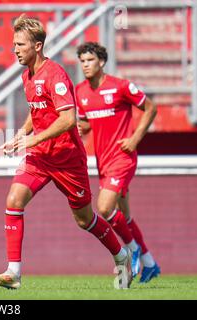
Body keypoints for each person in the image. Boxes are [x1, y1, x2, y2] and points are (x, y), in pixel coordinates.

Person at [0, 15, 132, 290]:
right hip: (41, 156)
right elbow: (37, 109)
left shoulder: (55, 74)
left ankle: (122, 256)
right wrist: (21, 134)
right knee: (14, 199)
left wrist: (33, 139)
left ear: (37, 46)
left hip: (67, 159)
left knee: (84, 219)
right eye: (14, 44)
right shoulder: (26, 75)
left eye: (20, 44)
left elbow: (67, 119)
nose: (15, 49)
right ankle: (13, 273)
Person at [75, 42, 160, 283]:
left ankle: (132, 251)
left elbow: (151, 107)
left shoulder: (120, 86)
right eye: (82, 61)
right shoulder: (81, 91)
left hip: (122, 157)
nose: (85, 65)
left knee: (103, 207)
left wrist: (135, 138)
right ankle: (150, 264)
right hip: (103, 161)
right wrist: (80, 128)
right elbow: (89, 122)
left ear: (101, 62)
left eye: (90, 60)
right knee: (125, 215)